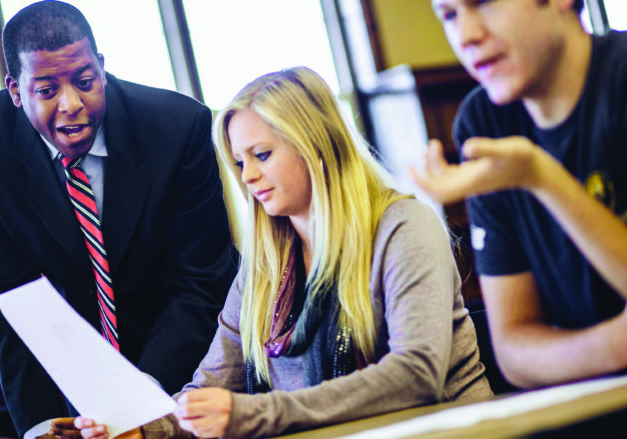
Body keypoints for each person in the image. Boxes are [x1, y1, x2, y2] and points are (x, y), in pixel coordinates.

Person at [71, 66, 492, 439]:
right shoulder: (263, 267)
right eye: (239, 162)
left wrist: (253, 414)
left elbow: (416, 375)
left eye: (263, 155)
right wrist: (143, 427)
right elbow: (212, 386)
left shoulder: (403, 226)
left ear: (317, 145)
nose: (249, 176)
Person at [0, 1, 237, 437]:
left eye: (85, 81)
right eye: (46, 91)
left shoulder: (177, 127)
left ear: (101, 66)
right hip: (69, 386)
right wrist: (43, 428)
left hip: (182, 375)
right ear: (16, 90)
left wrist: (141, 410)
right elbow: (11, 304)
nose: (71, 105)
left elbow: (200, 283)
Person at [411, 0, 627, 389]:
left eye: (485, 3)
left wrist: (542, 178)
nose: (466, 35)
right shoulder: (484, 123)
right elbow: (513, 352)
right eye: (449, 15)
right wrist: (615, 346)